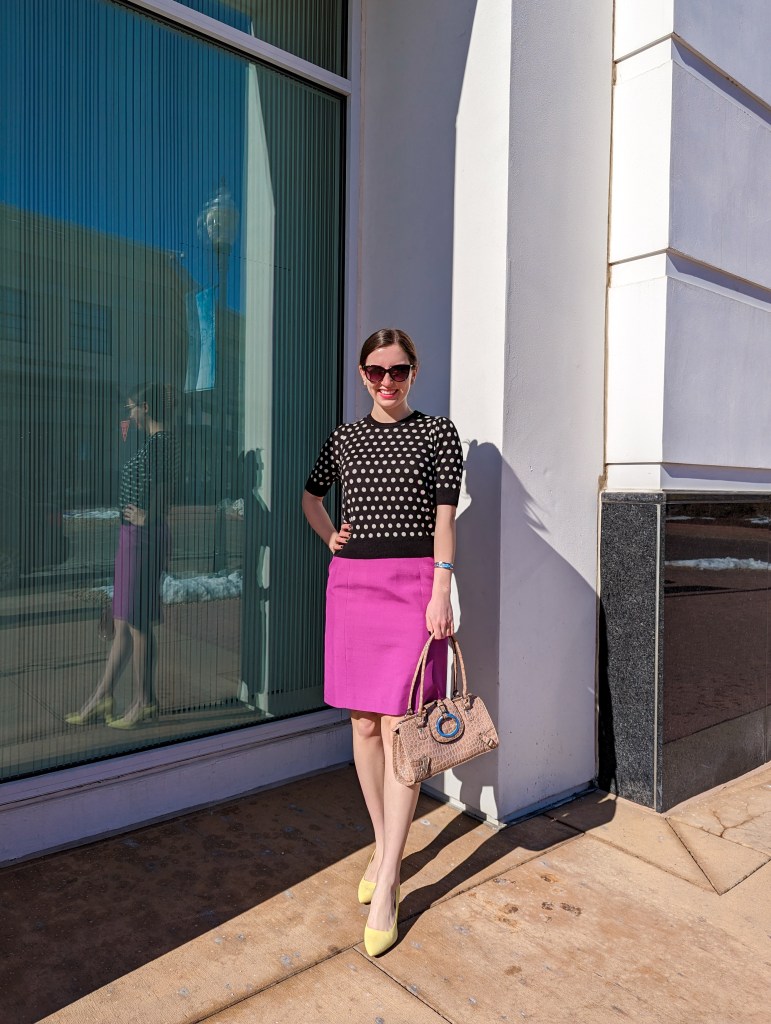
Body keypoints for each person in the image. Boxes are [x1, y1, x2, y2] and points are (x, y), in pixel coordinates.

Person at [302, 328, 464, 957]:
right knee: (364, 725)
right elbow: (311, 497)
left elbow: (444, 520)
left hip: (412, 584)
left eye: (398, 370)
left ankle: (391, 874)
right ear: (362, 375)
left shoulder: (437, 433)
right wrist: (328, 536)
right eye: (375, 371)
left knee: (403, 727)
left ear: (415, 371)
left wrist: (441, 588)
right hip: (353, 587)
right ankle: (385, 843)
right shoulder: (344, 438)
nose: (387, 381)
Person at [66, 383, 180, 730]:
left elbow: (168, 485)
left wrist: (150, 515)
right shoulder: (152, 443)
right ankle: (102, 698)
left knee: (137, 623)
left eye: (132, 407)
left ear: (145, 407)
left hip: (142, 537)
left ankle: (145, 702)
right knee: (123, 623)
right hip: (132, 536)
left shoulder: (162, 443)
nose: (129, 413)